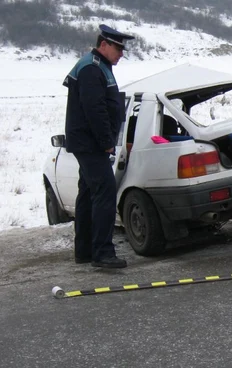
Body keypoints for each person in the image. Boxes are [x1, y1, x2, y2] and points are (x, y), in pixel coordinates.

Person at [62, 24, 135, 268]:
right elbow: (95, 109)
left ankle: (84, 251)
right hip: (92, 144)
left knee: (87, 193)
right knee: (104, 192)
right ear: (104, 44)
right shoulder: (92, 69)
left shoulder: (98, 66)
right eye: (118, 48)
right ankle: (103, 253)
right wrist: (106, 143)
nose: (121, 54)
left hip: (88, 143)